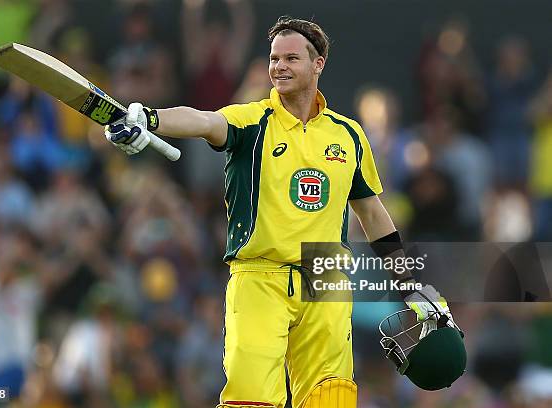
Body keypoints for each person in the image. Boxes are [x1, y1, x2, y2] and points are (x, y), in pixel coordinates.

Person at [105, 16, 455, 408]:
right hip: (259, 275)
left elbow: (373, 215)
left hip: (325, 276)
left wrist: (409, 283)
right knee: (250, 401)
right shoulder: (251, 120)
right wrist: (150, 118)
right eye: (274, 58)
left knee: (332, 399)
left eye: (291, 58)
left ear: (318, 63)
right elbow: (204, 121)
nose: (279, 67)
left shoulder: (349, 135)